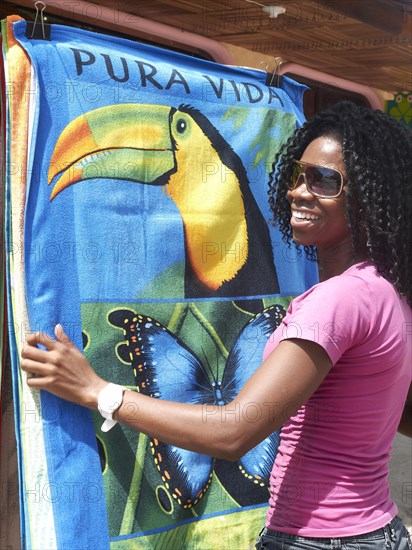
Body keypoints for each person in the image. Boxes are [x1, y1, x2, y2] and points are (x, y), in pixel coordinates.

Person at [21, 101, 412, 549]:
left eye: (324, 180)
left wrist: (99, 392)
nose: (300, 192)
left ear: (368, 194)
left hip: (321, 539)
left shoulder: (338, 299)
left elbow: (233, 432)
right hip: (377, 532)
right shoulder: (388, 290)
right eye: (297, 175)